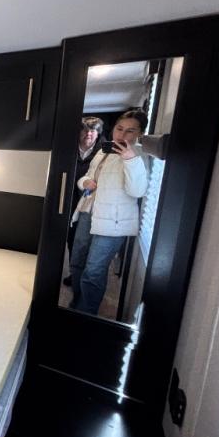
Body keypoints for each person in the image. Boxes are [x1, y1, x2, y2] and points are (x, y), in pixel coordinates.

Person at [68, 110, 148, 316]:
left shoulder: (140, 155)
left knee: (94, 271)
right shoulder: (104, 149)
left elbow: (137, 191)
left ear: (140, 133)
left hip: (113, 223)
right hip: (88, 212)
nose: (122, 135)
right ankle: (77, 303)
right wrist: (85, 182)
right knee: (77, 261)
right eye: (119, 129)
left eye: (130, 131)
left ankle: (86, 314)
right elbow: (87, 176)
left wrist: (130, 160)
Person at [62, 117, 104, 286]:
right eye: (85, 129)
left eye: (92, 130)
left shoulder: (104, 152)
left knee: (83, 241)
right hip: (66, 197)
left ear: (97, 133)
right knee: (70, 238)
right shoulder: (67, 147)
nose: (88, 133)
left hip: (90, 202)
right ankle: (74, 273)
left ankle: (80, 276)